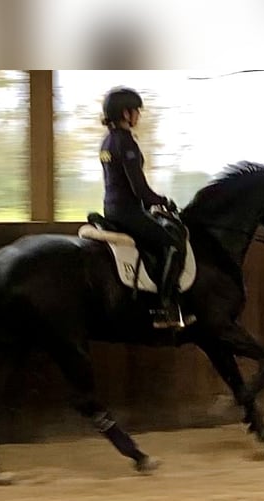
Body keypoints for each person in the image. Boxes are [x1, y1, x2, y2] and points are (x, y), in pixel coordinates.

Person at [98, 86, 193, 329]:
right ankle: (166, 306)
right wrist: (162, 201)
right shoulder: (126, 142)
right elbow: (139, 189)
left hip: (112, 208)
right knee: (173, 242)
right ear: (125, 113)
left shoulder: (107, 141)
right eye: (136, 111)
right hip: (128, 212)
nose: (139, 115)